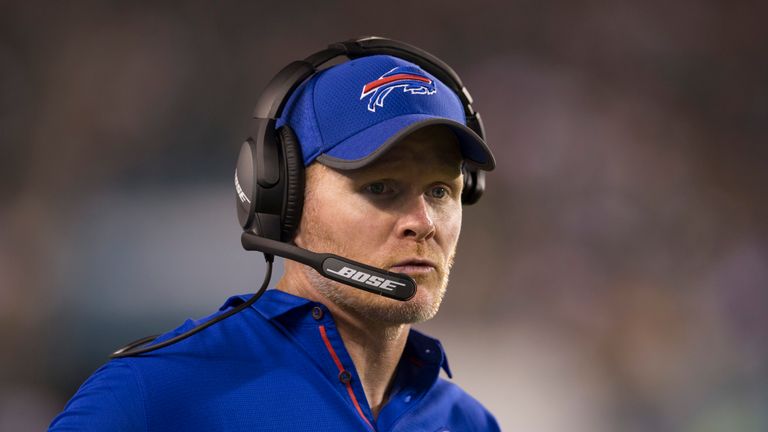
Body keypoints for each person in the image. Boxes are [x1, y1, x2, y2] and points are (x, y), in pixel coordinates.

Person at [49, 38, 499, 431]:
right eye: (380, 187)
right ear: (282, 197)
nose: (422, 222)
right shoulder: (155, 393)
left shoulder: (469, 422)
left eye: (440, 191)